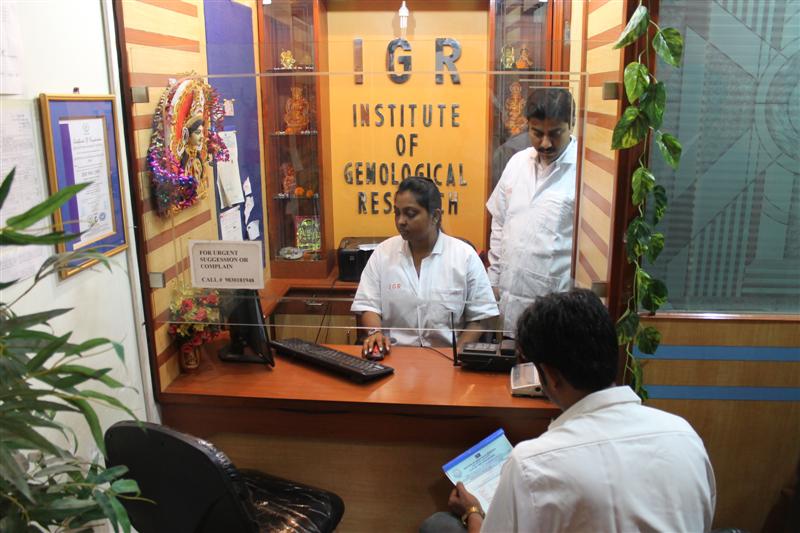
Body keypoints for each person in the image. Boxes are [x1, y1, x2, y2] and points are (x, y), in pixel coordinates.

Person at [421, 289, 716, 533]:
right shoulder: (684, 436)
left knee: (439, 526)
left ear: (550, 375)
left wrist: (473, 511)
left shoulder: (531, 464)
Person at [351, 176, 499, 357]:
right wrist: (375, 333)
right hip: (394, 356)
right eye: (397, 213)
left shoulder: (465, 256)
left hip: (446, 357)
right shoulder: (383, 253)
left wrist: (458, 353)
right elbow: (369, 305)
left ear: (435, 216)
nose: (401, 221)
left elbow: (480, 318)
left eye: (410, 214)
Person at [486, 87, 577, 338]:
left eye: (555, 133)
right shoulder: (517, 163)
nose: (545, 143)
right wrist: (493, 279)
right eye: (537, 133)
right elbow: (499, 223)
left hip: (556, 304)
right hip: (510, 298)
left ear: (572, 124)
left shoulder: (582, 171)